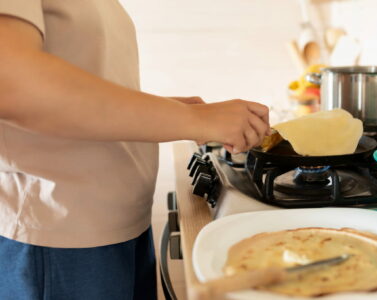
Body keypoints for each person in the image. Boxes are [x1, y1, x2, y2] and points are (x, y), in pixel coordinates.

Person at [0, 1, 269, 299]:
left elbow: (77, 80)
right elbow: (11, 82)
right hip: (60, 240)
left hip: (118, 226)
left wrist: (165, 110)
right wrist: (193, 119)